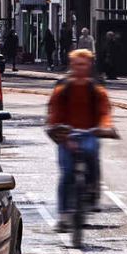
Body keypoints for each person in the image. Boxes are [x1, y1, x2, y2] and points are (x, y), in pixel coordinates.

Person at [46, 49, 117, 230]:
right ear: (72, 66)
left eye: (84, 65)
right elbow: (54, 113)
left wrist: (105, 126)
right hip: (66, 134)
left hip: (89, 132)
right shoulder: (63, 89)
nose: (80, 68)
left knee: (92, 153)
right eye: (77, 65)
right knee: (66, 173)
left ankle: (92, 192)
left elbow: (104, 112)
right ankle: (62, 215)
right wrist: (56, 128)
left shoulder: (96, 90)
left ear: (89, 66)